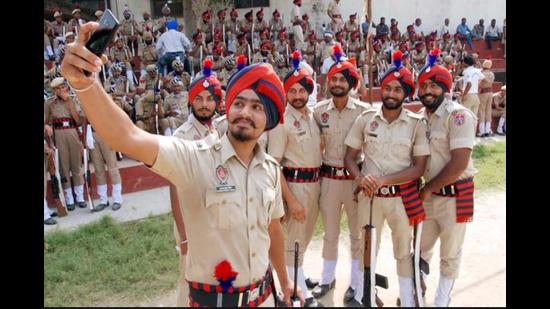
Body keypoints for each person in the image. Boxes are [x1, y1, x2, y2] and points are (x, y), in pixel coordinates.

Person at [61, 22, 304, 306]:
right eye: (239, 103)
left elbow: (273, 230)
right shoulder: (193, 157)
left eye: (257, 107)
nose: (245, 112)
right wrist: (85, 84)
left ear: (268, 121)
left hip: (263, 299)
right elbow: (126, 136)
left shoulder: (271, 171)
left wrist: (285, 282)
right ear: (227, 108)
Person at [344, 50, 430, 307]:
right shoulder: (366, 119)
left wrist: (383, 180)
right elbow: (349, 157)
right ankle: (364, 296)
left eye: (397, 89)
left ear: (406, 93)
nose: (391, 93)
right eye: (387, 88)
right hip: (370, 198)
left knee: (403, 252)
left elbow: (419, 168)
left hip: (403, 200)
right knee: (366, 249)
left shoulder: (416, 124)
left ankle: (406, 298)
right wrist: (360, 178)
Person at [311, 44, 371, 302]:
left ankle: (356, 284)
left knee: (357, 235)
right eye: (332, 79)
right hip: (329, 179)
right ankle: (327, 279)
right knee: (331, 233)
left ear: (350, 82)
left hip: (355, 182)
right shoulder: (319, 111)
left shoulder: (364, 112)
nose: (336, 83)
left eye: (341, 79)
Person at [416, 53, 477, 307]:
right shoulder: (421, 116)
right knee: (420, 249)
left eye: (434, 85)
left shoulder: (458, 115)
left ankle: (441, 301)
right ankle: (417, 293)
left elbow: (459, 162)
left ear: (445, 87)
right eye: (424, 85)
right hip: (429, 195)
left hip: (454, 195)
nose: (428, 90)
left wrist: (428, 188)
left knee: (450, 254)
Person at [268, 51, 323, 307]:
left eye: (302, 91)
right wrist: (290, 200)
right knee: (293, 241)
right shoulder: (282, 122)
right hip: (296, 186)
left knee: (305, 235)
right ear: (286, 94)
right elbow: (274, 164)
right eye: (293, 91)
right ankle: (295, 290)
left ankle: (298, 275)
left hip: (315, 184)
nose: (298, 96)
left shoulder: (312, 115)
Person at [44, 77, 86, 211]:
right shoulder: (49, 103)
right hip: (58, 134)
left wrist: (69, 102)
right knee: (63, 166)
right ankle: (69, 199)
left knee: (76, 165)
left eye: (63, 87)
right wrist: (46, 126)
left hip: (72, 132)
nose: (62, 90)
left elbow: (79, 120)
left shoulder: (73, 99)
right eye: (58, 88)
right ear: (54, 91)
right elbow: (44, 120)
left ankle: (80, 197)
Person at [477, 60, 495, 137]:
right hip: (490, 92)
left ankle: (482, 131)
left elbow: (479, 84)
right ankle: (487, 130)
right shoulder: (492, 73)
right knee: (488, 111)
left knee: (481, 111)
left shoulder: (482, 74)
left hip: (483, 93)